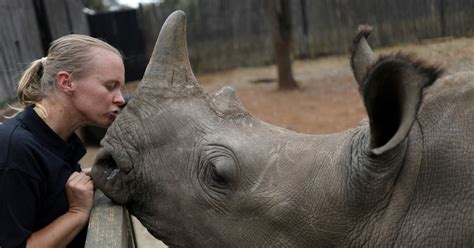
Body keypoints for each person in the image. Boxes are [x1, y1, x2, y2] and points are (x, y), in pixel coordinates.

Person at [0, 34, 125, 247]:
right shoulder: (16, 151)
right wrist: (77, 213)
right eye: (110, 86)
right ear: (66, 82)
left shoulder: (58, 139)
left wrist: (94, 175)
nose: (120, 98)